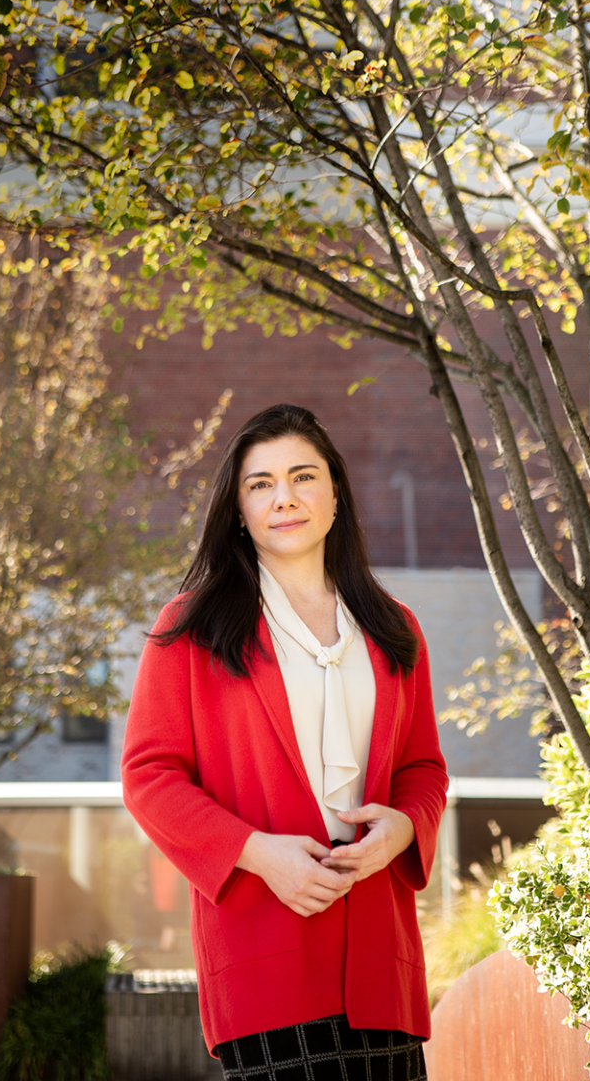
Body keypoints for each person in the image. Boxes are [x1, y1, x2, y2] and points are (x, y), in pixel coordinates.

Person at [122, 403, 447, 1081]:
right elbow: (149, 776)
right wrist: (258, 854)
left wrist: (402, 829)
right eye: (260, 483)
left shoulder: (396, 627)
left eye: (304, 477)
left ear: (335, 495)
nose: (285, 498)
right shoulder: (192, 626)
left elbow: (423, 768)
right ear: (239, 509)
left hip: (381, 962)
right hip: (265, 952)